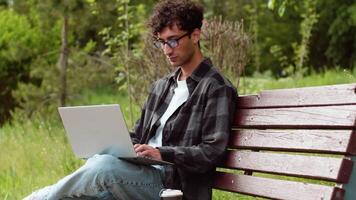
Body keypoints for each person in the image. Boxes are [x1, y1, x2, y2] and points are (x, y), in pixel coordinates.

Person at [24, 0, 237, 199]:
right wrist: (116, 144)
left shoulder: (216, 87)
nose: (166, 50)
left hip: (172, 185)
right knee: (97, 169)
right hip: (140, 172)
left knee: (104, 167)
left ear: (195, 35)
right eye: (161, 43)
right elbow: (139, 135)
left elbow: (212, 152)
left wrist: (161, 154)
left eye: (173, 40)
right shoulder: (162, 87)